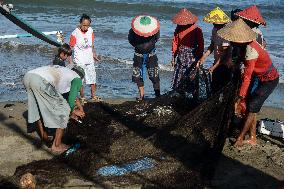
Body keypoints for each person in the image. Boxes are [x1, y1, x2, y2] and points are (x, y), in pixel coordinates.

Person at [217, 18, 279, 148]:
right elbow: (241, 63)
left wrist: (240, 97)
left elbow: (247, 77)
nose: (232, 41)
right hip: (259, 77)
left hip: (269, 79)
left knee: (251, 106)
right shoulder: (243, 46)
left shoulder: (251, 50)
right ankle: (253, 137)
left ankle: (240, 138)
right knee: (253, 108)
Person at [23, 64, 85, 153]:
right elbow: (71, 100)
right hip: (41, 81)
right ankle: (57, 145)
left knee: (38, 109)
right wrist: (72, 112)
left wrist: (80, 107)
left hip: (28, 77)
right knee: (65, 110)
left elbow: (70, 96)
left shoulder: (65, 73)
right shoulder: (77, 78)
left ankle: (44, 138)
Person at [197, 7, 232, 93]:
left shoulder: (226, 32)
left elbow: (225, 53)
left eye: (215, 22)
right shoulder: (215, 30)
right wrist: (203, 57)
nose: (213, 24)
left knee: (223, 88)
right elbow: (212, 46)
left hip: (225, 65)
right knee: (214, 87)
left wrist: (214, 67)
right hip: (217, 61)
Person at [171, 8, 204, 92]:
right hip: (191, 55)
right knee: (190, 76)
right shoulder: (197, 29)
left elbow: (175, 44)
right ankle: (190, 96)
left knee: (180, 76)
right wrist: (200, 58)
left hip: (184, 54)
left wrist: (173, 57)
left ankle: (181, 94)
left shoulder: (180, 28)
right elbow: (201, 45)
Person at [69, 14, 101, 103]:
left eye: (87, 25)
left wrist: (94, 54)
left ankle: (93, 96)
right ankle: (82, 97)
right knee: (80, 80)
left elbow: (92, 44)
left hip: (89, 59)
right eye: (84, 25)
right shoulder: (75, 33)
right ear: (80, 23)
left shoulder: (90, 31)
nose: (85, 27)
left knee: (92, 78)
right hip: (79, 60)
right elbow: (70, 48)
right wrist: (70, 61)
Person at [128, 15, 161, 101]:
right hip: (139, 56)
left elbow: (131, 41)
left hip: (150, 55)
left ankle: (158, 95)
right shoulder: (133, 31)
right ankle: (142, 96)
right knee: (138, 76)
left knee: (154, 75)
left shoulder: (155, 30)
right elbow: (157, 39)